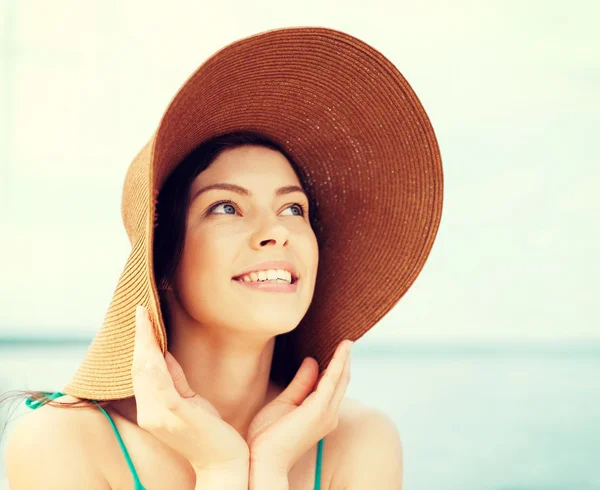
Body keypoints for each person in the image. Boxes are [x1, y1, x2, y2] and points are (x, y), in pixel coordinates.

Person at [4, 26, 443, 489]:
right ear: (163, 261)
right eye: (226, 207)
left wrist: (269, 467)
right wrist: (220, 470)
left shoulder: (358, 442)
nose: (276, 231)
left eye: (293, 208)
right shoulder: (63, 442)